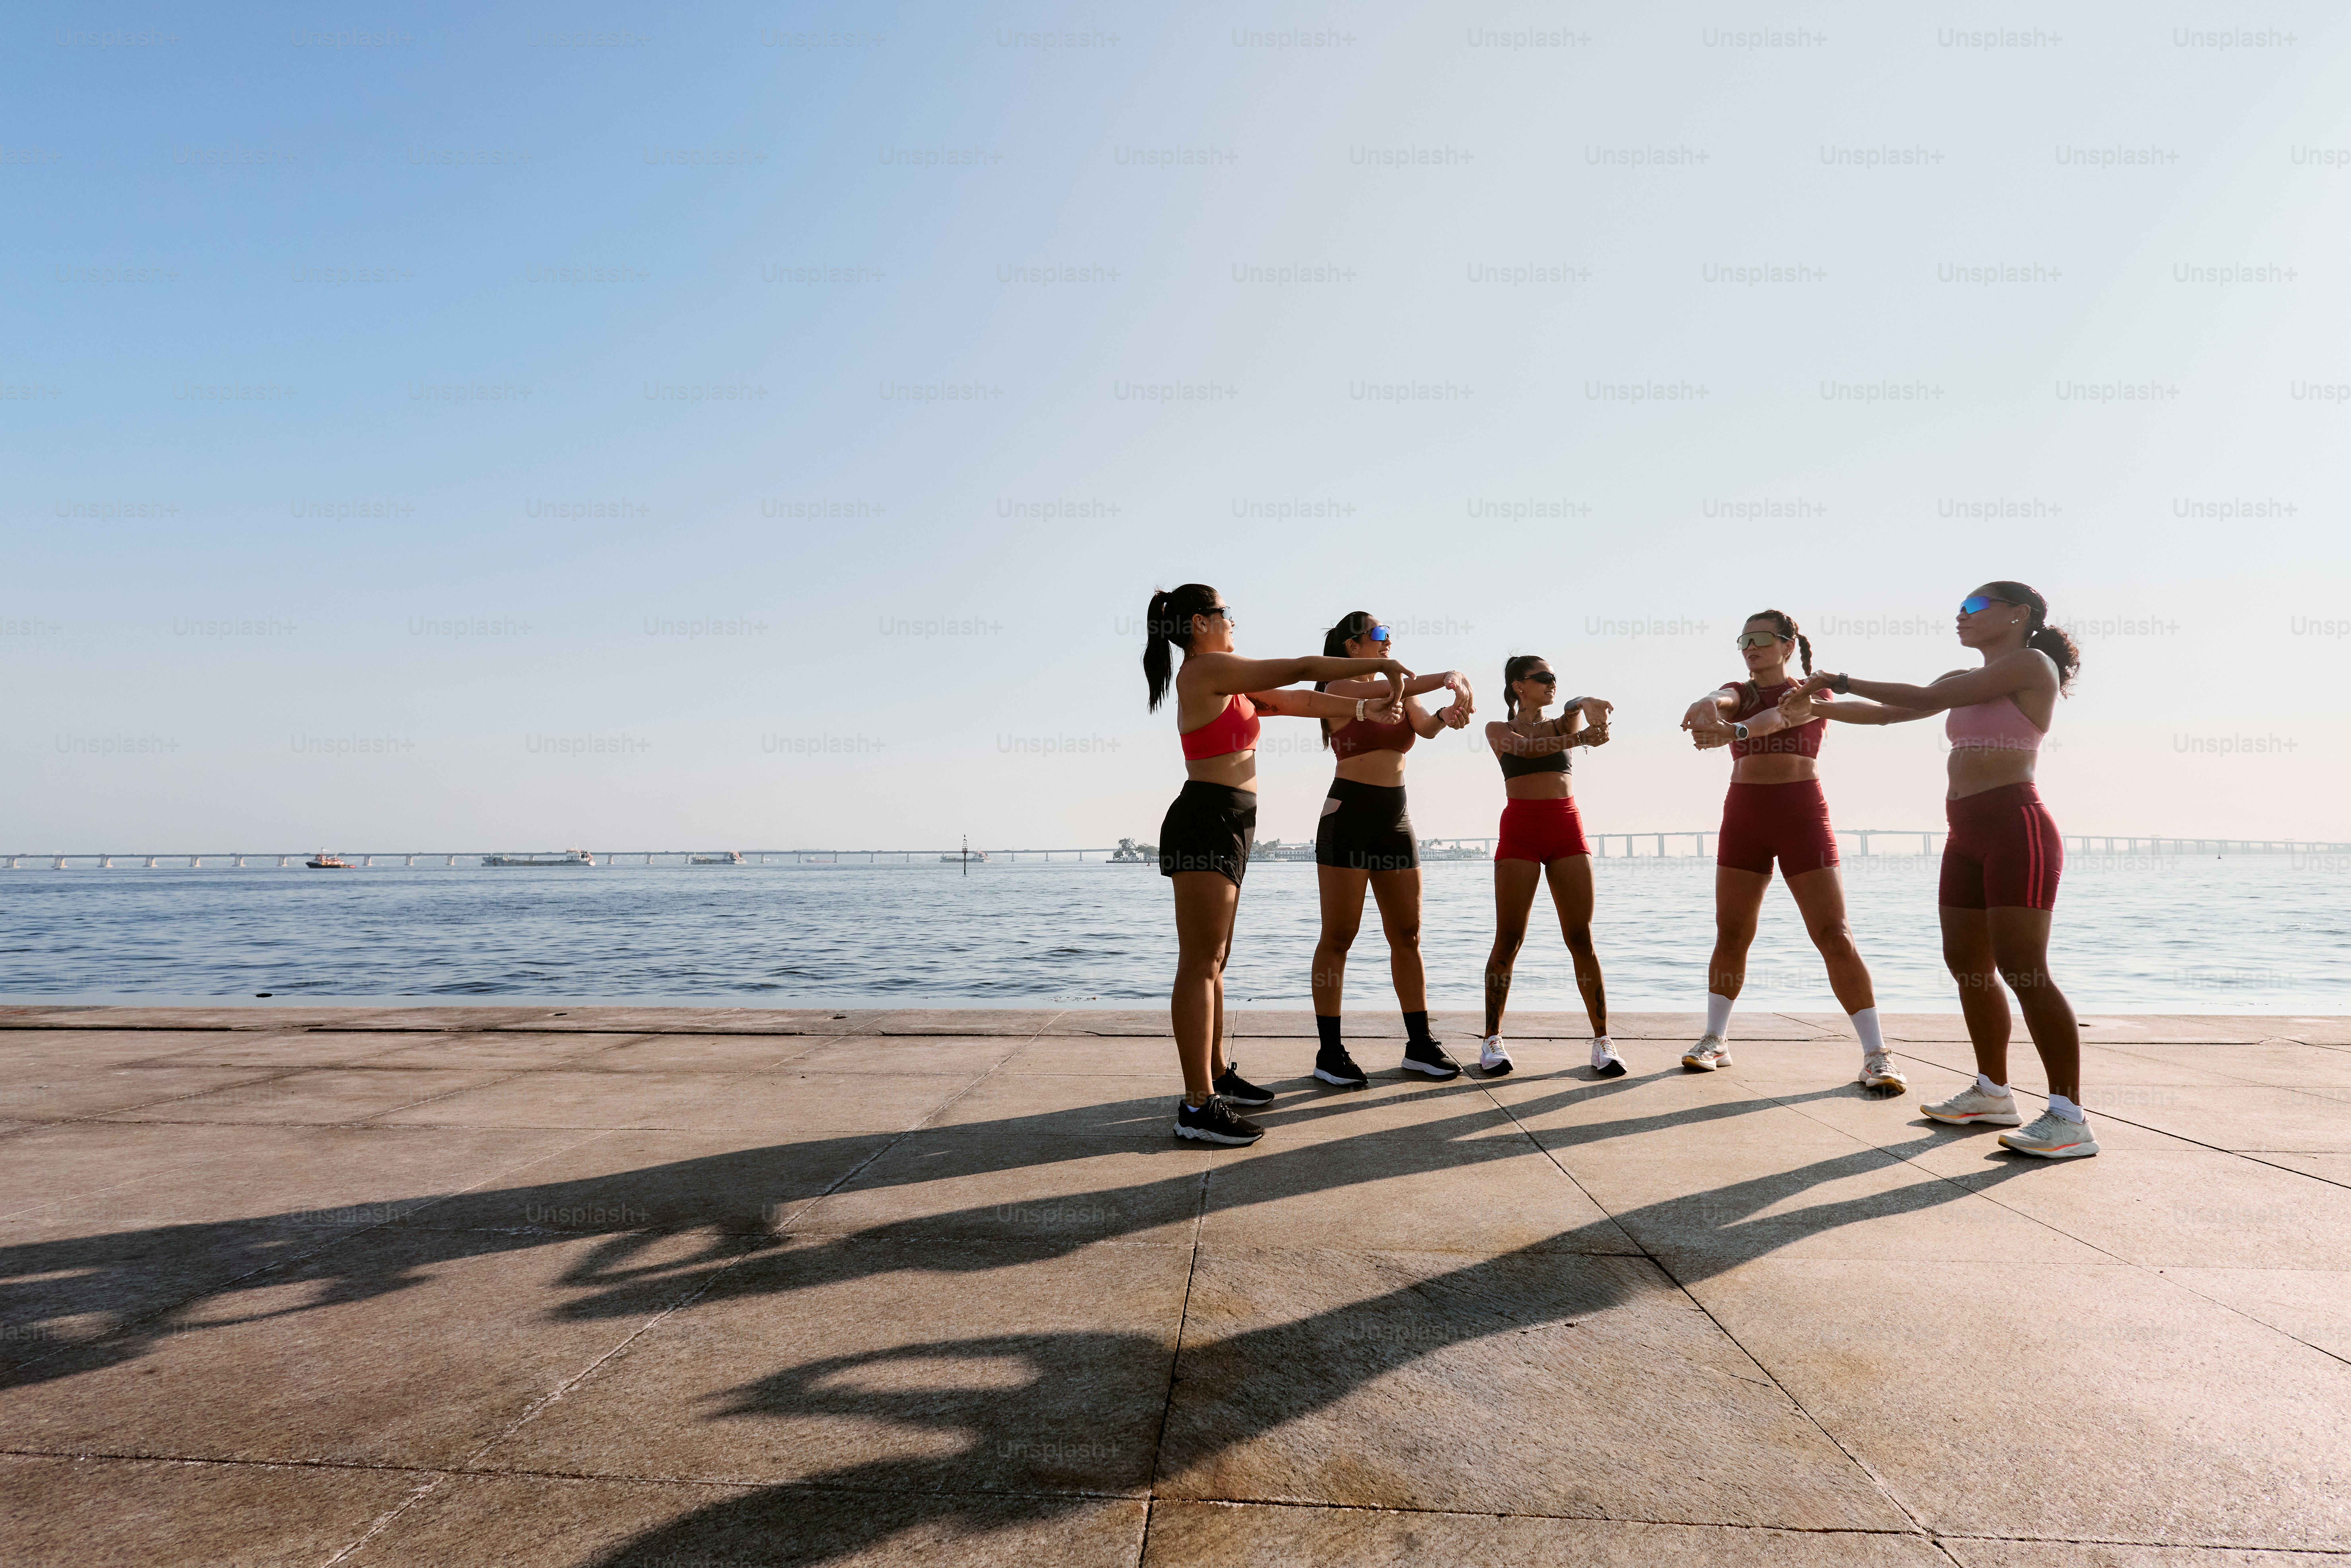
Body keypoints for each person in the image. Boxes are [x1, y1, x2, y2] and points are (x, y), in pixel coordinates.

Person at [1786, 581, 2092, 1158]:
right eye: (1959, 607)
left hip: (2015, 825)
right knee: (1967, 964)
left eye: (1975, 607)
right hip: (1966, 832)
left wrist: (1839, 678)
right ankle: (1993, 1091)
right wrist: (1814, 708)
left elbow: (1921, 701)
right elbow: (1892, 713)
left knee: (2024, 968)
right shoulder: (1959, 680)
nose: (1961, 615)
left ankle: (2069, 1115)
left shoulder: (2031, 664)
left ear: (2018, 614)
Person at [1143, 584, 1410, 1145]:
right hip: (1205, 818)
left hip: (1230, 823)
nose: (1232, 621)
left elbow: (1302, 701)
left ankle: (1215, 1074)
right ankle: (1196, 1105)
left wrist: (1364, 706)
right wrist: (1383, 664)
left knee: (1217, 959)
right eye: (1225, 613)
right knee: (1199, 961)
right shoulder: (1205, 670)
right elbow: (1301, 668)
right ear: (1199, 622)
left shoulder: (1228, 682)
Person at [1678, 611, 1905, 1095]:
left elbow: (1780, 716)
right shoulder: (1739, 690)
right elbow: (1727, 699)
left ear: (1787, 645)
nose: (1750, 648)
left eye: (1760, 639)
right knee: (1732, 932)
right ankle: (1715, 1039)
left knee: (1834, 933)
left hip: (1802, 815)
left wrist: (1731, 733)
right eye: (1743, 640)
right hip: (1744, 817)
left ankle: (1876, 1054)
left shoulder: (1813, 693)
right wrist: (1706, 703)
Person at [1306, 612, 1475, 1087]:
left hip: (1395, 820)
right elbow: (1386, 693)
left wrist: (1448, 713)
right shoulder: (1337, 690)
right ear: (1351, 645)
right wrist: (1444, 677)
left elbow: (1425, 728)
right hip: (1349, 817)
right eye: (1379, 636)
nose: (1388, 642)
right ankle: (1330, 1052)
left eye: (1389, 636)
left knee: (1408, 934)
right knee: (1339, 935)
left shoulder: (1394, 684)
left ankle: (1419, 1045)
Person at [1481, 655, 1617, 1077]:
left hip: (1566, 828)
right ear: (1519, 686)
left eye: (1555, 678)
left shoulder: (1563, 722)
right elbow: (1525, 748)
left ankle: (1602, 1041)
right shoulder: (1498, 730)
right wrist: (1583, 741)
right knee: (1509, 938)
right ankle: (1492, 1041)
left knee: (1581, 937)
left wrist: (1584, 700)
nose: (1551, 684)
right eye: (1543, 679)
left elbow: (1573, 714)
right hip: (1520, 830)